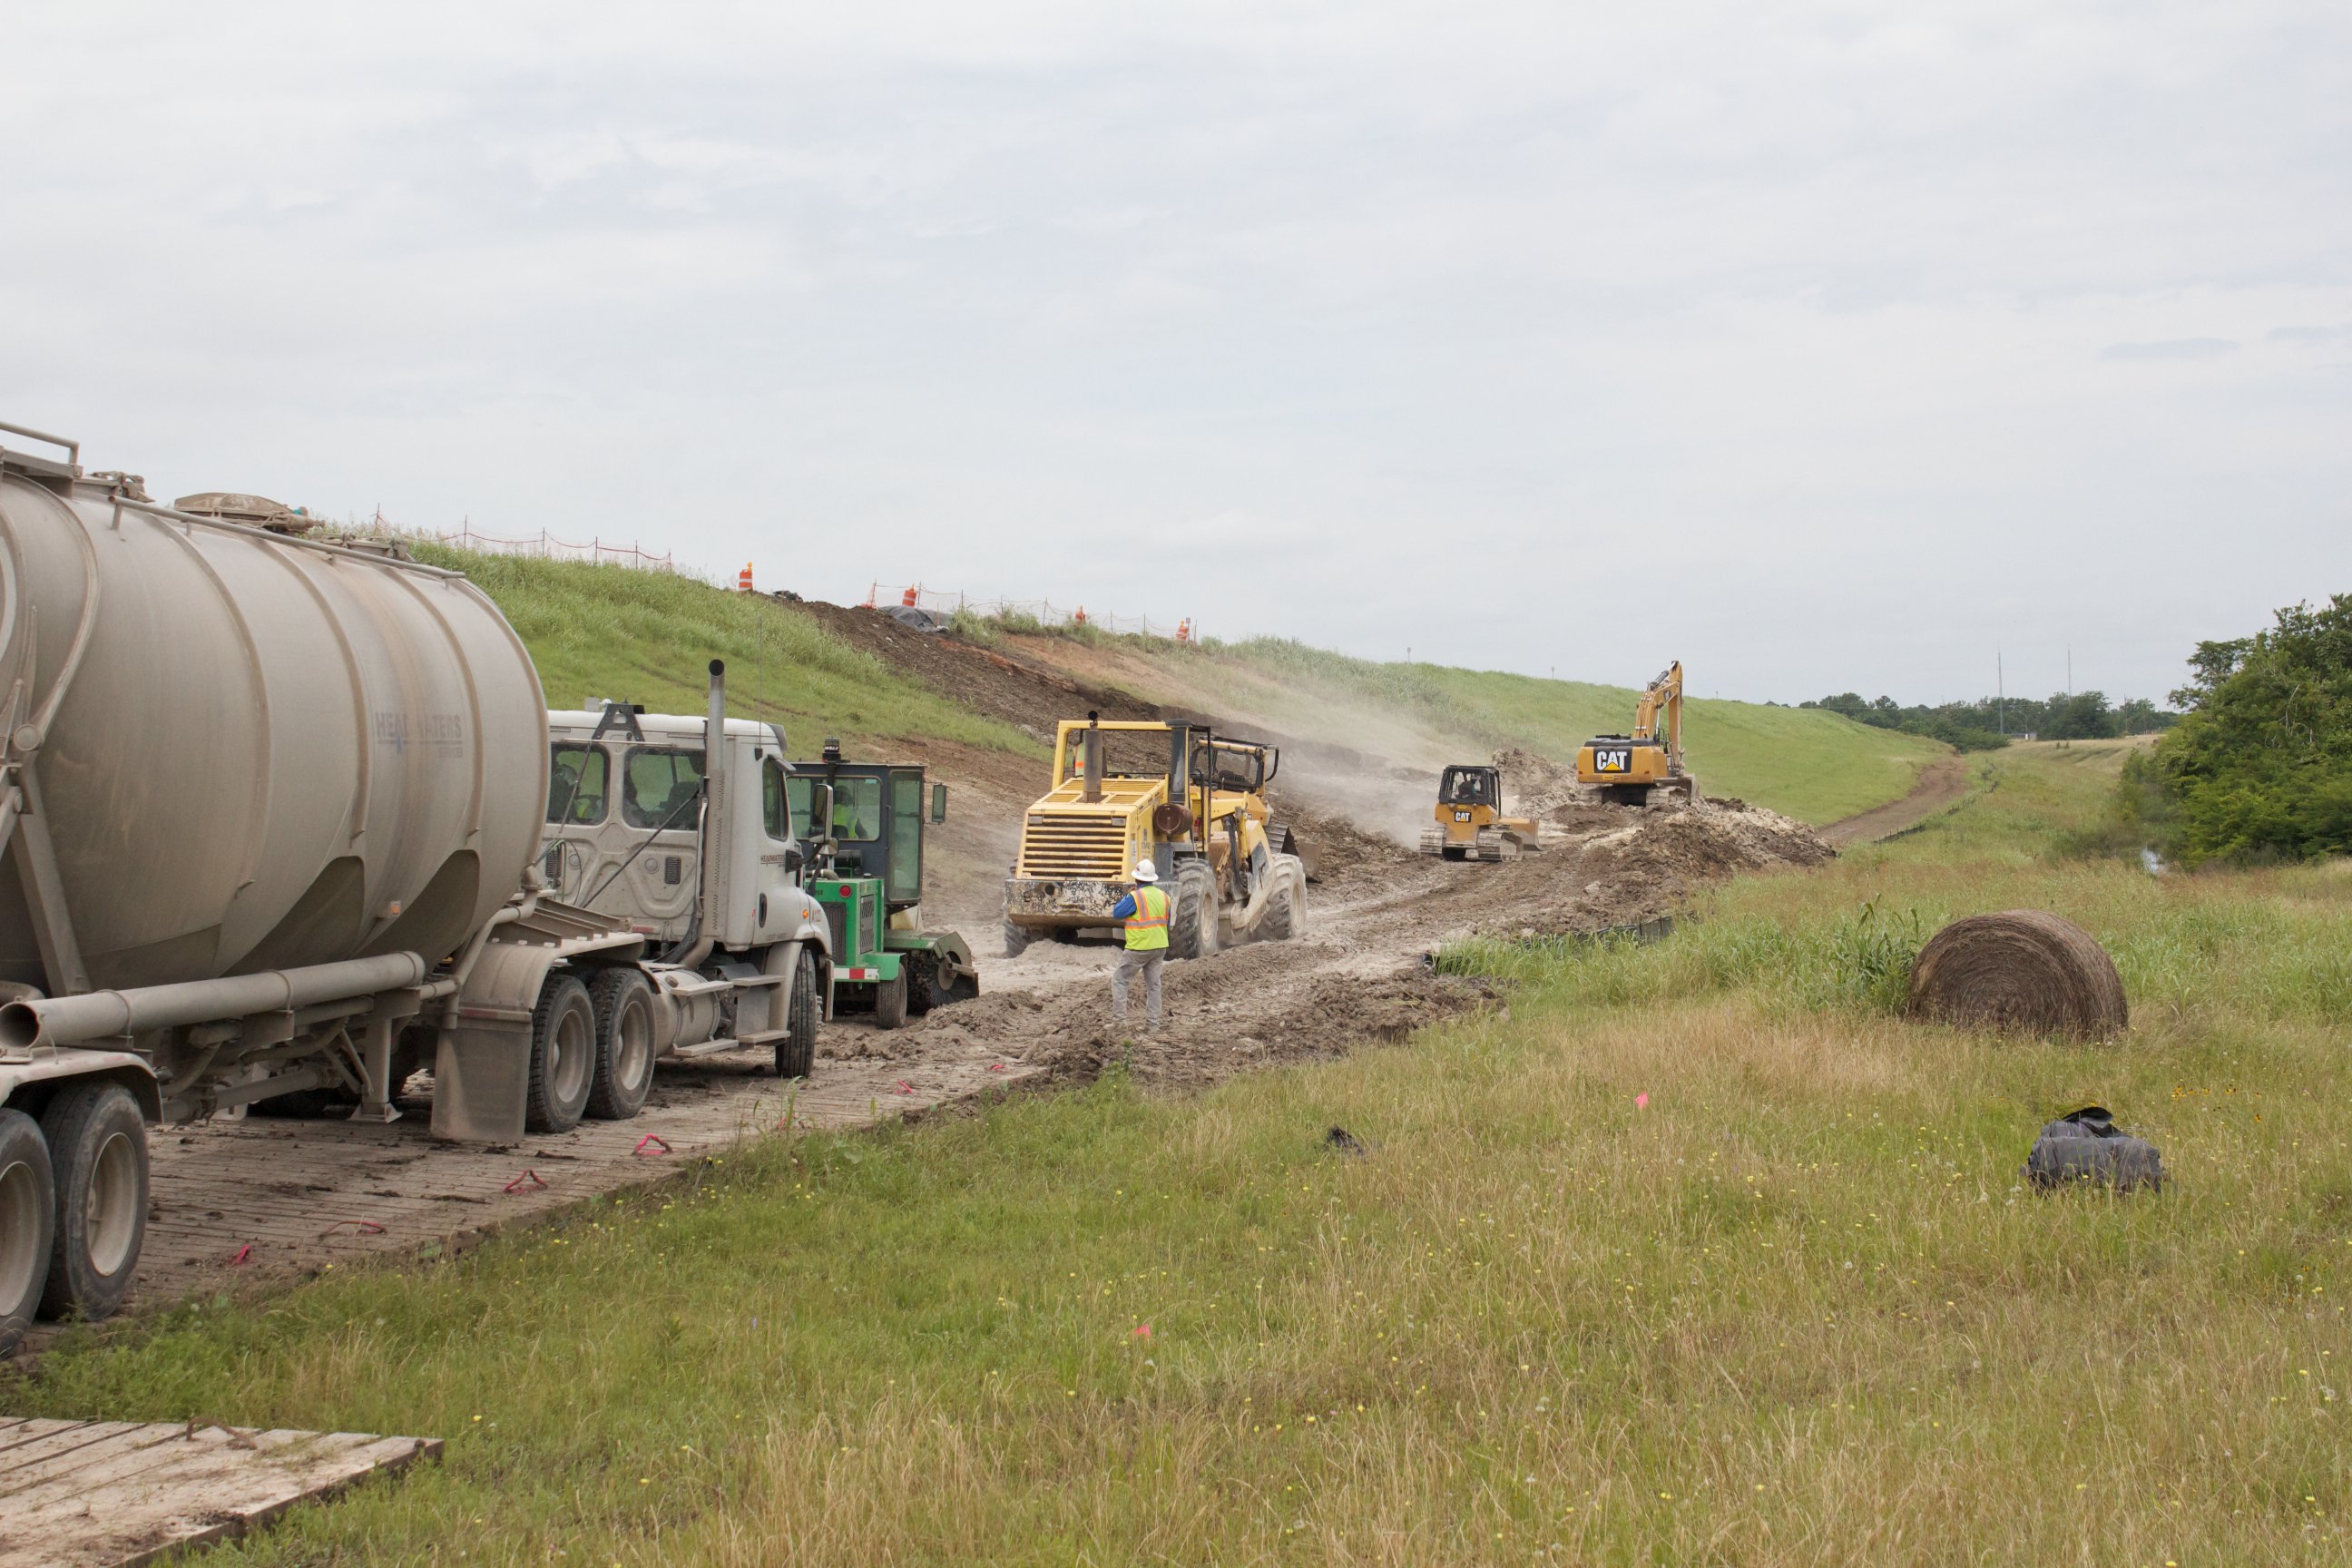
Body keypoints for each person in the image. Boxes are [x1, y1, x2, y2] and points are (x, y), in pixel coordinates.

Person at [1108, 858, 1171, 1032]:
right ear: (1153, 879)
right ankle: (1153, 1025)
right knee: (1154, 986)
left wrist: (1128, 895)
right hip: (1159, 946)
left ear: (1137, 879)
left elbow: (1117, 913)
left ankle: (1119, 1023)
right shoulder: (1165, 897)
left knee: (1120, 980)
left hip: (1139, 947)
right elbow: (1167, 922)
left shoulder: (1135, 897)